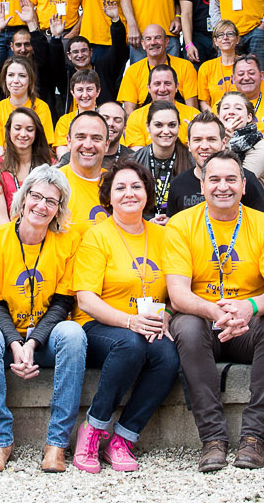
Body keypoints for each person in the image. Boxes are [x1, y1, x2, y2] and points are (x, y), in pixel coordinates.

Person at [165, 153, 264, 471]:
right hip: (204, 317)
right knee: (187, 327)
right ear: (202, 183)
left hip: (248, 324)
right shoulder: (181, 224)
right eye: (215, 179)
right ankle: (212, 439)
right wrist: (214, 310)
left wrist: (249, 307)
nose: (223, 187)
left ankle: (254, 438)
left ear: (243, 184)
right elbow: (178, 294)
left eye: (230, 179)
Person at [66, 160, 181, 471]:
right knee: (131, 344)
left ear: (147, 194)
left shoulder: (163, 236)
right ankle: (93, 428)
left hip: (148, 324)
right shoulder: (97, 236)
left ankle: (123, 437)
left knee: (168, 357)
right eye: (120, 187)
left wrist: (168, 313)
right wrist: (130, 321)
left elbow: (175, 288)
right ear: (109, 196)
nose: (129, 193)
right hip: (101, 326)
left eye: (136, 187)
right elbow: (86, 299)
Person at [0, 167, 87, 472]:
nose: (41, 205)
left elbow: (63, 303)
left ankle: (57, 444)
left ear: (59, 209)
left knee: (74, 334)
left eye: (51, 201)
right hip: (6, 332)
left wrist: (33, 343)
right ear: (21, 200)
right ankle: (0, 441)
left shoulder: (68, 240)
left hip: (45, 338)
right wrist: (15, 344)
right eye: (35, 196)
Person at [0, 105, 50, 224]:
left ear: (37, 133)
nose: (23, 134)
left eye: (30, 129)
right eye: (17, 128)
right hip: (9, 232)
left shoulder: (49, 166)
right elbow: (1, 216)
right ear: (9, 130)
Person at [117, 24, 199, 106]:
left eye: (158, 38)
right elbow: (129, 114)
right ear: (143, 44)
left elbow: (192, 109)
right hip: (145, 118)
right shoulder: (133, 71)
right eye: (148, 39)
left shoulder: (185, 67)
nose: (153, 42)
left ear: (166, 42)